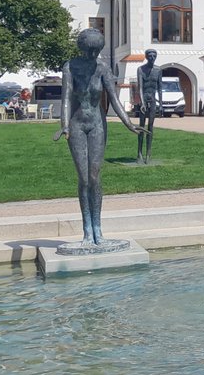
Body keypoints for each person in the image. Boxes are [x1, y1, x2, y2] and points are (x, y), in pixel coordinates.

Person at [54, 29, 144, 245]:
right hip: (76, 125)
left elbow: (114, 99)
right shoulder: (70, 67)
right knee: (83, 178)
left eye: (97, 51)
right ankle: (87, 230)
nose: (94, 55)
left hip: (97, 125)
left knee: (94, 177)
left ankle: (98, 229)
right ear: (84, 48)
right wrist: (64, 126)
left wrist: (129, 123)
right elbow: (65, 98)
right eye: (91, 50)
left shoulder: (102, 68)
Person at [134, 49, 164, 163]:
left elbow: (160, 88)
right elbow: (140, 87)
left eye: (154, 56)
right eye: (150, 56)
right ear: (147, 57)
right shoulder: (140, 69)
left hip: (152, 100)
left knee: (150, 127)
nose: (152, 58)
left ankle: (148, 153)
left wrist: (161, 104)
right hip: (144, 99)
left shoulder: (158, 70)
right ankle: (139, 153)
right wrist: (142, 102)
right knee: (141, 127)